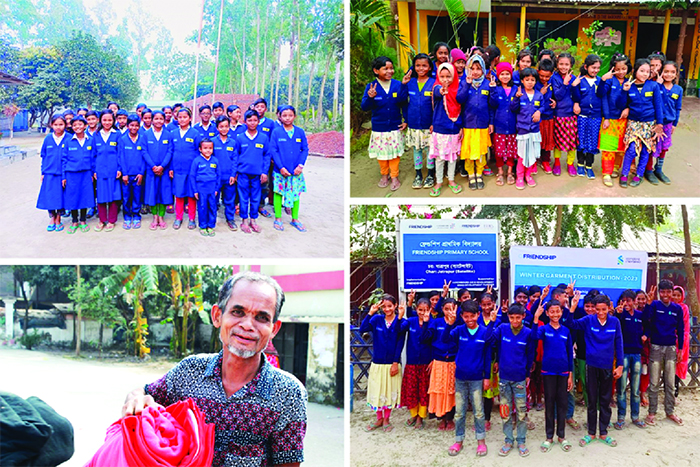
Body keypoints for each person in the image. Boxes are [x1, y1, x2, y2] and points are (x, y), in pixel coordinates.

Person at [122, 271, 307, 467]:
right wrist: (135, 399)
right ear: (218, 316)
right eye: (238, 312)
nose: (247, 325)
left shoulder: (289, 393)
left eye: (261, 317)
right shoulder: (188, 371)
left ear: (274, 329)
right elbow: (144, 393)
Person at [568, 294, 624, 447]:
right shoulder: (588, 320)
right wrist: (572, 308)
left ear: (609, 308)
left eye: (603, 309)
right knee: (592, 400)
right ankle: (591, 433)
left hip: (607, 366)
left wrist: (620, 365)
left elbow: (619, 343)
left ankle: (604, 432)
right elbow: (570, 323)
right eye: (597, 309)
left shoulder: (615, 322)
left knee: (605, 400)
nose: (600, 312)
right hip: (591, 365)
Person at [442, 300, 496, 457]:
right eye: (466, 317)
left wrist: (487, 378)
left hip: (477, 379)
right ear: (462, 317)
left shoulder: (484, 332)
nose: (470, 319)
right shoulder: (458, 330)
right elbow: (445, 340)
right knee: (459, 412)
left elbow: (487, 357)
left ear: (478, 315)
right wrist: (449, 324)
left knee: (479, 412)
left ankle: (481, 442)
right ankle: (459, 441)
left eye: (473, 316)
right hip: (460, 378)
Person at [493, 303, 535, 457]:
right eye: (512, 317)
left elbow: (530, 354)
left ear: (523, 317)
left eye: (518, 317)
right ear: (508, 317)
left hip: (519, 379)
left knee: (521, 411)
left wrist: (527, 374)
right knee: (505, 411)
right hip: (504, 377)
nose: (515, 320)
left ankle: (521, 440)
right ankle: (508, 440)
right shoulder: (502, 329)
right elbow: (489, 340)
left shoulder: (528, 333)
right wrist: (493, 321)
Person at [360, 56, 407, 191]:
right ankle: (384, 175)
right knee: (382, 155)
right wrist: (370, 97)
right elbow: (364, 107)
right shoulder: (371, 87)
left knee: (394, 155)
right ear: (376, 71)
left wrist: (406, 120)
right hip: (379, 128)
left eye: (391, 68)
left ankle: (394, 177)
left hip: (395, 126)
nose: (389, 71)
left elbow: (403, 102)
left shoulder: (398, 84)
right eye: (385, 68)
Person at [533, 300, 574, 453]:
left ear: (561, 312)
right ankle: (549, 436)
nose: (555, 314)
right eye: (552, 311)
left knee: (562, 404)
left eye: (558, 311)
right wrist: (536, 318)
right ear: (547, 313)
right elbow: (533, 336)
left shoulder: (566, 331)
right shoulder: (544, 330)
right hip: (548, 371)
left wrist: (570, 375)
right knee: (549, 404)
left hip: (563, 372)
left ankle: (561, 436)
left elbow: (570, 354)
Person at [643, 280, 685, 426]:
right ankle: (652, 412)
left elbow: (680, 329)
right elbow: (645, 320)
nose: (666, 295)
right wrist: (648, 303)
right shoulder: (654, 305)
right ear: (659, 292)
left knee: (670, 382)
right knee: (654, 382)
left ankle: (670, 411)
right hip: (655, 346)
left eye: (669, 292)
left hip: (671, 348)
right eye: (663, 292)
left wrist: (680, 349)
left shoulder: (677, 309)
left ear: (672, 293)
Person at [361, 295, 405, 432]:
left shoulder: (402, 322)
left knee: (389, 391)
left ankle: (387, 419)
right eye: (384, 306)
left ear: (395, 306)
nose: (387, 309)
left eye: (390, 306)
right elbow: (363, 329)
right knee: (377, 390)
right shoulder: (377, 320)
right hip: (378, 363)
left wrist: (395, 362)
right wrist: (370, 312)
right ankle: (379, 418)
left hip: (392, 363)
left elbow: (398, 341)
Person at [618, 59, 665, 188]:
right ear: (635, 71)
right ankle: (624, 174)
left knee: (645, 151)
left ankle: (639, 175)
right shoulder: (629, 85)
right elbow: (621, 105)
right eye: (642, 71)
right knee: (631, 150)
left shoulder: (653, 86)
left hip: (649, 124)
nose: (644, 74)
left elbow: (658, 106)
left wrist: (659, 124)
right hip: (633, 123)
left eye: (647, 72)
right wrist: (624, 91)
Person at [421, 298, 459, 431]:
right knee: (439, 391)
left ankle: (450, 418)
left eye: (453, 308)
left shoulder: (459, 323)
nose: (450, 311)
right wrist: (425, 323)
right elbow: (425, 338)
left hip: (453, 362)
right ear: (442, 309)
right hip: (438, 362)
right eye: (447, 309)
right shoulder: (436, 322)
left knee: (451, 391)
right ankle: (441, 417)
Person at [268, 105, 308, 232]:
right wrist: (280, 167)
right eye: (284, 115)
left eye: (290, 115)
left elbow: (305, 149)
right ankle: (278, 218)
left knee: (296, 194)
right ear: (280, 116)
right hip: (280, 171)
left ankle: (295, 219)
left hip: (296, 171)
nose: (287, 118)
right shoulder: (276, 132)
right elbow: (273, 150)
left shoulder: (300, 132)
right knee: (278, 193)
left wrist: (300, 166)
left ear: (294, 116)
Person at [614, 289, 647, 429]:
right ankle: (621, 418)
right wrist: (618, 314)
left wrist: (646, 335)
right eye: (623, 301)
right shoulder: (620, 316)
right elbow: (617, 330)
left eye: (629, 301)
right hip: (623, 355)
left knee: (635, 388)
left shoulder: (640, 315)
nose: (626, 303)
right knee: (621, 388)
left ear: (634, 302)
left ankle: (635, 417)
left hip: (637, 355)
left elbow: (649, 325)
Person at [428, 62, 463, 197]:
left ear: (453, 76)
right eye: (442, 76)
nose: (445, 80)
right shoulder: (437, 88)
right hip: (440, 130)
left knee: (452, 158)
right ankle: (439, 182)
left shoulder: (458, 89)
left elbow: (462, 108)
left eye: (448, 76)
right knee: (440, 159)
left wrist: (461, 127)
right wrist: (442, 90)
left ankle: (451, 180)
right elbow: (437, 92)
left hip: (454, 129)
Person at [234, 110, 270, 234]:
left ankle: (253, 220)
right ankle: (244, 220)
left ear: (258, 121)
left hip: (257, 175)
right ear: (245, 122)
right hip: (243, 174)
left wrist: (264, 172)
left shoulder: (263, 138)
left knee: (255, 198)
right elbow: (236, 156)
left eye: (255, 120)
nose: (252, 122)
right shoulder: (240, 138)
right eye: (249, 120)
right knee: (243, 198)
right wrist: (236, 173)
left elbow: (267, 156)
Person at [402, 53, 435, 189]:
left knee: (430, 150)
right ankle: (418, 175)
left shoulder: (434, 83)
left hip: (429, 125)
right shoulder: (409, 83)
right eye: (418, 65)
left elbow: (437, 105)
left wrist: (434, 123)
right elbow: (402, 101)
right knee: (416, 149)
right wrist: (403, 85)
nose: (421, 68)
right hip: (414, 124)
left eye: (424, 65)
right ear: (414, 67)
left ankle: (430, 175)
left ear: (429, 67)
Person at [647, 61, 683, 185]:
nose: (669, 74)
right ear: (661, 72)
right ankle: (648, 170)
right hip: (655, 122)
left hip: (668, 124)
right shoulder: (656, 86)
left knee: (664, 147)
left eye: (672, 72)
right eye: (666, 71)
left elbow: (678, 108)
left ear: (676, 74)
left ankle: (659, 169)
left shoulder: (678, 89)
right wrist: (657, 84)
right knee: (651, 146)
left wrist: (674, 124)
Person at [459, 54, 491, 190]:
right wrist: (467, 84)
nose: (476, 71)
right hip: (468, 125)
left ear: (483, 69)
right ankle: (471, 174)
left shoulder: (487, 84)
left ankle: (479, 173)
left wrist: (491, 123)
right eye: (473, 68)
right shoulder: (464, 82)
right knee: (468, 152)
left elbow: (492, 105)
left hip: (483, 125)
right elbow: (460, 99)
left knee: (481, 152)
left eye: (479, 68)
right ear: (468, 69)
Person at [400, 297, 432, 430]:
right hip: (412, 362)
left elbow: (426, 338)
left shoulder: (432, 323)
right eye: (420, 310)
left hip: (425, 363)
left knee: (423, 391)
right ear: (416, 309)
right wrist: (400, 316)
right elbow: (399, 329)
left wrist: (425, 323)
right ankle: (413, 414)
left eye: (425, 310)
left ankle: (421, 416)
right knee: (412, 390)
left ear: (430, 310)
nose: (423, 312)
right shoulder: (411, 321)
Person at [571, 54, 605, 180]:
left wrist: (603, 82)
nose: (595, 70)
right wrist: (574, 86)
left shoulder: (600, 80)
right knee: (581, 140)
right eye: (593, 67)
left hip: (595, 116)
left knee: (593, 142)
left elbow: (601, 94)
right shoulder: (580, 81)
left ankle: (589, 166)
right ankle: (580, 164)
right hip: (582, 116)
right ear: (586, 67)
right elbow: (577, 98)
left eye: (597, 68)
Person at [510, 68, 544, 189]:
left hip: (534, 131)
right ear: (522, 81)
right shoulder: (519, 94)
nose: (530, 82)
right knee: (522, 155)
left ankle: (528, 175)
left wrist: (539, 111)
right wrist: (516, 98)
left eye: (532, 80)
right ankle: (519, 176)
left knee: (532, 154)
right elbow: (513, 108)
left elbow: (543, 107)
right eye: (527, 79)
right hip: (523, 130)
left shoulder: (539, 95)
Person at [600, 53, 632, 185]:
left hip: (623, 120)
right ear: (613, 68)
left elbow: (632, 100)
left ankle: (615, 168)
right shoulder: (609, 80)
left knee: (620, 147)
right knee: (608, 147)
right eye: (617, 69)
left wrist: (628, 108)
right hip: (610, 119)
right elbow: (601, 95)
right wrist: (602, 80)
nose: (620, 72)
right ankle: (606, 172)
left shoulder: (630, 82)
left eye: (623, 69)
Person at [61, 115, 95, 234]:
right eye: (75, 125)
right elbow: (64, 160)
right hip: (71, 174)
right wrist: (64, 176)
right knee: (73, 196)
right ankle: (74, 221)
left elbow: (93, 158)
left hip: (86, 173)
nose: (77, 127)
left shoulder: (90, 140)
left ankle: (83, 220)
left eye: (80, 124)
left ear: (85, 126)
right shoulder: (68, 141)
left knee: (85, 196)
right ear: (72, 126)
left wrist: (92, 172)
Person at [170, 107, 201, 230]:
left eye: (185, 117)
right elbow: (171, 151)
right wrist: (171, 167)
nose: (182, 119)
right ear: (176, 118)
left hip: (191, 171)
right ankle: (178, 217)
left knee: (191, 195)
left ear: (189, 118)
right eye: (180, 117)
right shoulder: (173, 133)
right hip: (178, 170)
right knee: (179, 194)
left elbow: (199, 153)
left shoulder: (195, 133)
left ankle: (192, 219)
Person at [142, 110, 173, 230]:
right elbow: (144, 151)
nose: (158, 121)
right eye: (156, 119)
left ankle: (161, 216)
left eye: (161, 119)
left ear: (164, 120)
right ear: (151, 120)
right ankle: (154, 217)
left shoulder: (168, 134)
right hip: (151, 171)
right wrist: (153, 166)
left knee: (163, 194)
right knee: (152, 194)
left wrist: (162, 166)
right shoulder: (146, 134)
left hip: (164, 171)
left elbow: (170, 151)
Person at [37, 114, 68, 231]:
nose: (58, 127)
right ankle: (52, 217)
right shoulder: (48, 138)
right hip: (49, 173)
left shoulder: (69, 138)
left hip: (63, 174)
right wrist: (43, 172)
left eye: (61, 124)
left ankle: (59, 218)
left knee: (61, 196)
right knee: (49, 196)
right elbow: (44, 156)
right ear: (51, 125)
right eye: (56, 125)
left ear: (65, 125)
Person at [93, 110, 122, 232]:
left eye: (110, 120)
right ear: (100, 120)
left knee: (113, 196)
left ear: (113, 120)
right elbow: (93, 154)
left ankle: (111, 220)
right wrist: (94, 170)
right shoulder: (96, 135)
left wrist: (120, 169)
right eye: (104, 120)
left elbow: (121, 154)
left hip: (113, 170)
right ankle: (102, 220)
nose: (107, 122)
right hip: (100, 171)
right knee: (101, 196)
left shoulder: (117, 134)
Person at [489, 61, 517, 185]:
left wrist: (516, 98)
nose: (505, 76)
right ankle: (500, 172)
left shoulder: (516, 88)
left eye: (507, 73)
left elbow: (516, 108)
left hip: (512, 126)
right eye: (502, 74)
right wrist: (493, 89)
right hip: (499, 126)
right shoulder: (496, 88)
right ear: (498, 76)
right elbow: (493, 104)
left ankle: (510, 172)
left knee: (511, 151)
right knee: (499, 152)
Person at [118, 114, 146, 230]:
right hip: (126, 175)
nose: (134, 128)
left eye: (136, 125)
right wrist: (124, 174)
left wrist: (141, 173)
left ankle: (136, 215)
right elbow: (121, 158)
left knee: (137, 196)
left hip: (138, 174)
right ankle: (127, 216)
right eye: (131, 125)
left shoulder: (143, 138)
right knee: (126, 196)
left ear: (139, 126)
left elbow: (145, 157)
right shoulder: (122, 139)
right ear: (127, 125)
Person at [551, 53, 577, 176]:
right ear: (557, 64)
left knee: (572, 142)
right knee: (558, 141)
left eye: (566, 64)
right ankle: (557, 163)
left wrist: (573, 85)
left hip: (571, 114)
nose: (563, 67)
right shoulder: (554, 78)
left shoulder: (574, 77)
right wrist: (565, 84)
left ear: (571, 65)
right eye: (561, 64)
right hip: (559, 114)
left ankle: (570, 163)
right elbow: (558, 96)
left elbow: (578, 96)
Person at [212, 115, 238, 231]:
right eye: (221, 126)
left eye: (226, 126)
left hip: (229, 177)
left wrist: (233, 175)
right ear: (217, 128)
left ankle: (230, 219)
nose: (224, 129)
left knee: (229, 199)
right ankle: (212, 219)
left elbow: (235, 160)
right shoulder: (212, 142)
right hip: (215, 178)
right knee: (213, 199)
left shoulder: (233, 142)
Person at [189, 139, 219, 236]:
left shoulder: (215, 160)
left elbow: (218, 175)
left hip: (212, 190)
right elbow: (192, 176)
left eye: (210, 148)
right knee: (202, 208)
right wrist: (195, 191)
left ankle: (211, 226)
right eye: (205, 148)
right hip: (201, 190)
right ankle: (203, 225)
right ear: (200, 149)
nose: (208, 150)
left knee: (212, 207)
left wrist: (216, 189)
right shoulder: (197, 161)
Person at [535, 59, 556, 174]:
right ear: (538, 72)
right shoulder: (534, 82)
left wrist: (555, 102)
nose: (544, 78)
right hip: (538, 117)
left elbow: (556, 96)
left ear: (551, 74)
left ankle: (546, 161)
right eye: (541, 75)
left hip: (549, 116)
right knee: (537, 140)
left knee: (547, 139)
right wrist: (540, 94)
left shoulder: (553, 82)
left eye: (547, 76)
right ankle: (534, 160)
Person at [672, 285, 691, 398]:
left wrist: (681, 343)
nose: (676, 297)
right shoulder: (667, 307)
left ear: (682, 296)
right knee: (668, 367)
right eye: (674, 295)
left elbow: (685, 326)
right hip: (669, 339)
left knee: (678, 366)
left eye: (678, 295)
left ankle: (676, 391)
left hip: (681, 340)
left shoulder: (684, 308)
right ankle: (667, 392)